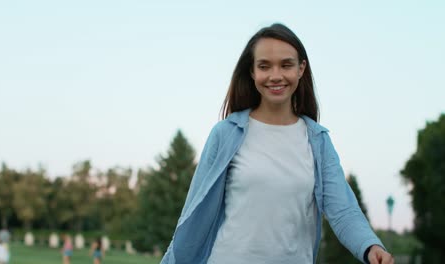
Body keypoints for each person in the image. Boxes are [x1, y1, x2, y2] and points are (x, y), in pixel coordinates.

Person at [160, 23, 395, 264]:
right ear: (252, 72)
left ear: (301, 68)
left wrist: (370, 246)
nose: (275, 75)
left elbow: (343, 210)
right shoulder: (225, 134)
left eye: (286, 65)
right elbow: (194, 213)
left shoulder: (318, 141)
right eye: (264, 66)